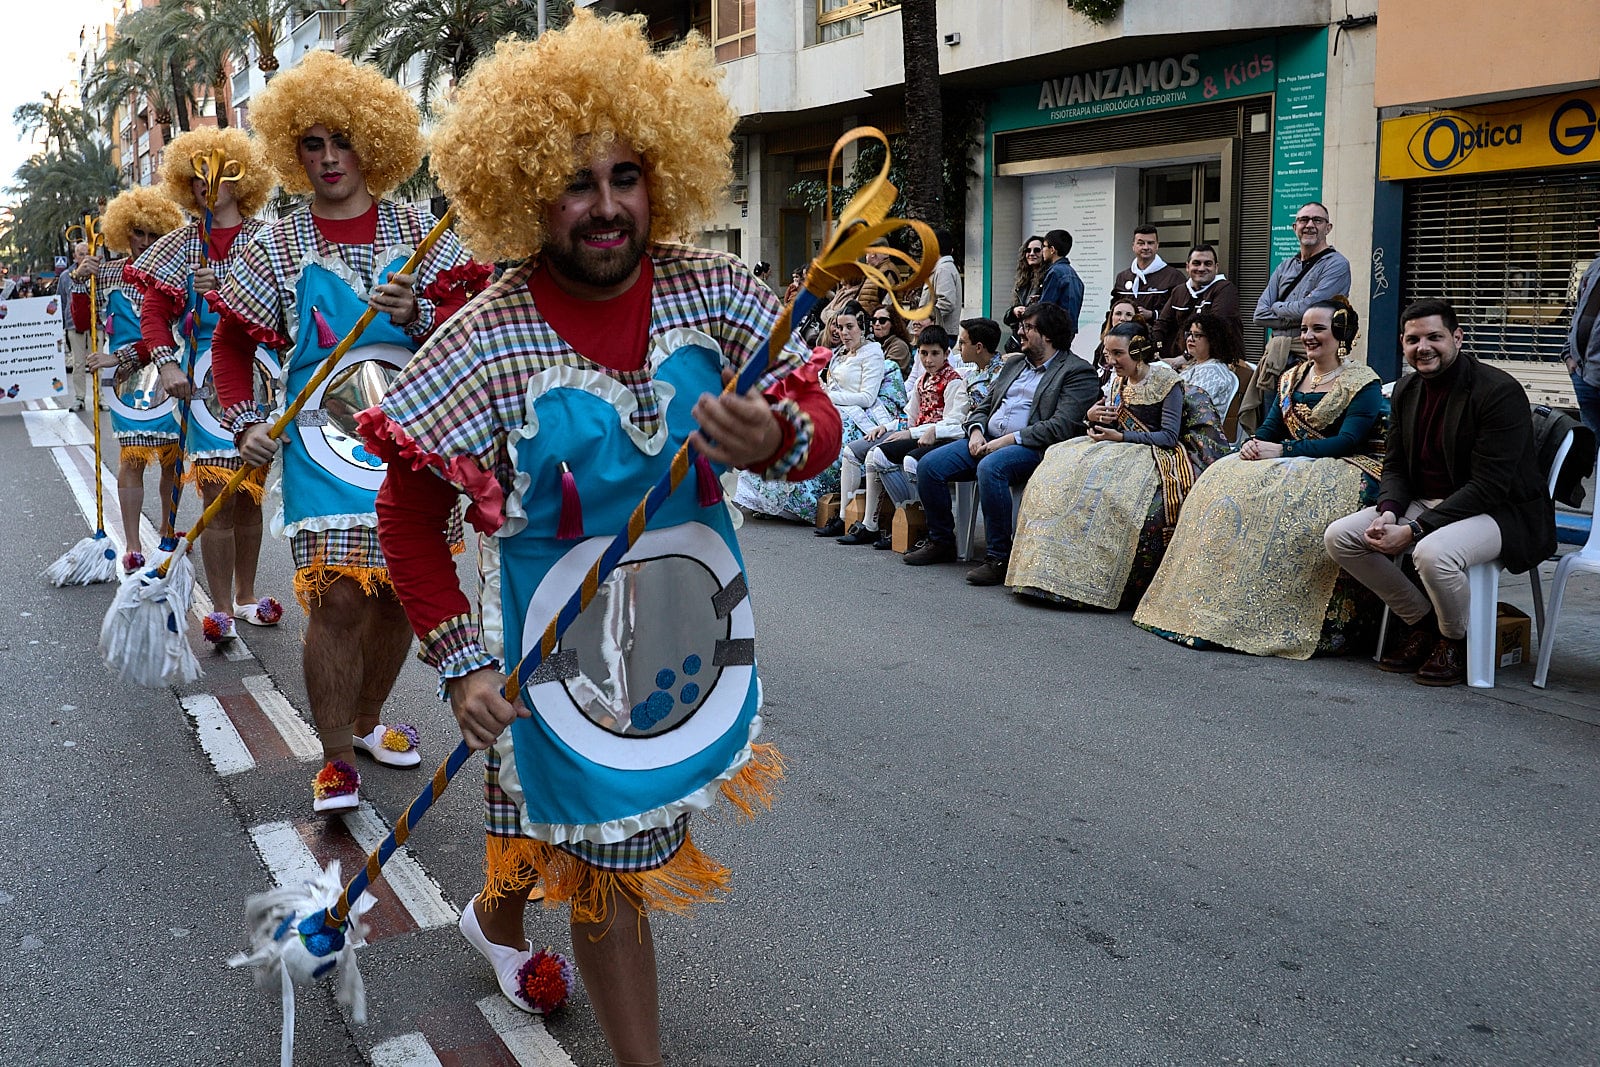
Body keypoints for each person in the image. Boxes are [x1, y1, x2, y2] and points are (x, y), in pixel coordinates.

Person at [358, 13, 840, 1062]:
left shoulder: (714, 292)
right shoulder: (484, 335)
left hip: (680, 643)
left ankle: (490, 916)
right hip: (551, 654)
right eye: (578, 181)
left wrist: (777, 433)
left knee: (561, 828)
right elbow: (406, 514)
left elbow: (816, 424)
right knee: (606, 858)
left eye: (627, 174)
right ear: (527, 189)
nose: (609, 204)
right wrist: (457, 663)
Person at [208, 49, 477, 812]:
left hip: (414, 440)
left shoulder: (424, 233)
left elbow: (476, 324)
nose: (329, 159)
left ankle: (365, 720)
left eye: (343, 141)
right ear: (294, 151)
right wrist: (245, 423)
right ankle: (334, 759)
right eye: (312, 144)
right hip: (321, 452)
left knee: (396, 597)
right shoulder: (275, 244)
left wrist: (418, 312)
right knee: (338, 601)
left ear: (375, 142)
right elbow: (231, 344)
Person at [1134, 298, 1386, 658]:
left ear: (1341, 333)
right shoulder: (1292, 376)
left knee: (1280, 507)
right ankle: (1213, 602)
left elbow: (1348, 441)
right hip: (1289, 462)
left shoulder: (1362, 381)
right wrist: (1254, 446)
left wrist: (1282, 451)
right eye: (1304, 329)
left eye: (1318, 329)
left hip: (1341, 465)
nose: (1308, 336)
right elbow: (1269, 428)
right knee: (1221, 480)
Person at [1324, 299, 1556, 686]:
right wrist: (1389, 511)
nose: (1424, 347)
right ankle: (1424, 623)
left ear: (1458, 338)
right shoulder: (1405, 390)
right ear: (1402, 343)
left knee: (1433, 553)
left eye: (1435, 337)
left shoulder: (1498, 391)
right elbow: (1395, 465)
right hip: (1425, 502)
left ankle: (1455, 640)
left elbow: (1489, 485)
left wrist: (1415, 531)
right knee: (1341, 538)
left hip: (1499, 511)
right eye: (1413, 339)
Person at [127, 126, 281, 634]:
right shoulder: (178, 246)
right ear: (186, 187)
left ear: (245, 181)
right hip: (201, 388)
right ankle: (219, 606)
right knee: (217, 495)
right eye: (198, 179)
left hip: (261, 377)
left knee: (249, 495)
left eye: (224, 175)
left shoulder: (270, 240)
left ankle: (246, 593)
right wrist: (167, 364)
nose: (210, 187)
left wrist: (229, 290)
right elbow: (153, 313)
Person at [1007, 321, 1229, 608]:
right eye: (1108, 354)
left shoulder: (1166, 383)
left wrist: (1121, 436)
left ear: (1138, 351)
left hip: (1153, 454)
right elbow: (1105, 417)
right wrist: (1093, 417)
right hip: (1114, 447)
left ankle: (1093, 579)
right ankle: (1047, 571)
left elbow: (1169, 436)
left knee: (1107, 496)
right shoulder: (1118, 381)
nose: (1110, 361)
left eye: (1118, 354)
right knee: (1057, 473)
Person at [903, 301, 1099, 583]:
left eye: (1028, 327)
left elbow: (1063, 425)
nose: (1020, 332)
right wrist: (976, 431)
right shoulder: (1016, 363)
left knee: (990, 468)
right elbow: (983, 406)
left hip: (1032, 447)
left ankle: (999, 557)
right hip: (986, 439)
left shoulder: (1076, 372)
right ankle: (942, 541)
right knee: (929, 465)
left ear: (1048, 335)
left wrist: (1009, 439)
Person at [84, 188, 185, 572]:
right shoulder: (109, 273)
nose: (144, 242)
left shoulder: (175, 277)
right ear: (124, 232)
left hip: (168, 374)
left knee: (171, 461)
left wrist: (120, 355)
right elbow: (83, 319)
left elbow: (165, 333)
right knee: (132, 459)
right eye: (138, 233)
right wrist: (82, 280)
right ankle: (130, 544)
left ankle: (167, 531)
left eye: (153, 235)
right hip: (125, 385)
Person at [750, 301, 903, 531]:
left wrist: (830, 397)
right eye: (840, 328)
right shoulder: (840, 354)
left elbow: (867, 397)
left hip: (858, 413)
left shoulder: (873, 354)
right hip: (838, 406)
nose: (844, 333)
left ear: (862, 326)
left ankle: (803, 504)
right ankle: (771, 498)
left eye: (849, 327)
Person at [838, 324, 970, 548]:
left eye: (935, 353)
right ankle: (876, 522)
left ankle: (910, 515)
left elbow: (951, 423)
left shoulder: (954, 382)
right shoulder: (923, 381)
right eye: (924, 353)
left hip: (938, 438)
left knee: (880, 456)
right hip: (916, 433)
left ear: (947, 353)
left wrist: (911, 432)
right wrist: (887, 427)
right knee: (867, 451)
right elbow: (909, 415)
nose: (928, 360)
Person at [1242, 201, 1352, 431]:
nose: (1309, 225)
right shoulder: (1284, 266)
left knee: (1306, 426)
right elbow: (1259, 314)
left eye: (1317, 220)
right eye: (1303, 220)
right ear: (1295, 227)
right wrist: (1298, 309)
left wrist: (1280, 307)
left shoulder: (1337, 265)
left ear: (1328, 227)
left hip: (1313, 358)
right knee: (1271, 427)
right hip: (1277, 360)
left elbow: (1313, 310)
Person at [1155, 244, 1242, 363]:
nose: (1201, 268)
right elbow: (1162, 324)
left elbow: (1217, 327)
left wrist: (1185, 357)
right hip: (1183, 363)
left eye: (1208, 264)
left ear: (1216, 267)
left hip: (1218, 362)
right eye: (1196, 263)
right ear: (1187, 266)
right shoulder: (1179, 291)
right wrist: (1153, 349)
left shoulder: (1225, 289)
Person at [1562, 217, 1600, 441]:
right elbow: (1578, 313)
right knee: (1593, 441)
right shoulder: (1595, 267)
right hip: (1584, 374)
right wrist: (1569, 356)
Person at [1176, 311, 1245, 421]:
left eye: (1197, 335)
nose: (1190, 339)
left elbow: (1192, 407)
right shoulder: (1198, 364)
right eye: (1189, 334)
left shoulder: (1214, 372)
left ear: (1213, 340)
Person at [1109, 224, 1185, 324]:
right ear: (1133, 246)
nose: (1146, 247)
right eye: (1141, 243)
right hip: (1126, 337)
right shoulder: (1122, 277)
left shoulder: (1174, 277)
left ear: (1157, 245)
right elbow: (1112, 311)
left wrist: (1153, 314)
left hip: (1158, 337)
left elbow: (1181, 312)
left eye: (1150, 243)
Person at [1037, 228, 1084, 345]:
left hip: (1053, 331)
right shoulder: (1074, 275)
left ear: (1052, 250)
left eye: (1044, 246)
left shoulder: (1055, 272)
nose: (1042, 250)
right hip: (1069, 331)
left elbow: (1046, 307)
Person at [1002, 235, 1046, 351]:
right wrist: (1014, 311)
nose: (1031, 253)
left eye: (1037, 250)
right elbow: (1007, 318)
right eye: (1028, 250)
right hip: (1020, 339)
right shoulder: (1023, 281)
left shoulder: (1048, 279)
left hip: (1038, 340)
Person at [65, 242, 95, 411]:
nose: (84, 257)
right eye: (80, 254)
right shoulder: (65, 276)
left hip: (96, 324)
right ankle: (79, 397)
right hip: (73, 324)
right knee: (78, 363)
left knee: (97, 360)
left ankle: (102, 397)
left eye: (87, 253)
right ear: (75, 257)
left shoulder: (98, 274)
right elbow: (62, 300)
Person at [1092, 298, 1139, 384]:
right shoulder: (1101, 346)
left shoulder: (1139, 346)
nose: (1122, 318)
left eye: (1128, 315)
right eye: (1118, 314)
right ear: (1111, 317)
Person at [927, 227, 963, 339]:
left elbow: (946, 302)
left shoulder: (944, 269)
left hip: (941, 333)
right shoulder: (941, 267)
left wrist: (927, 318)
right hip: (939, 332)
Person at [868, 301, 914, 376]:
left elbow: (883, 372)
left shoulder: (899, 346)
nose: (877, 324)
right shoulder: (871, 343)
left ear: (893, 323)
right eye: (874, 320)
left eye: (882, 320)